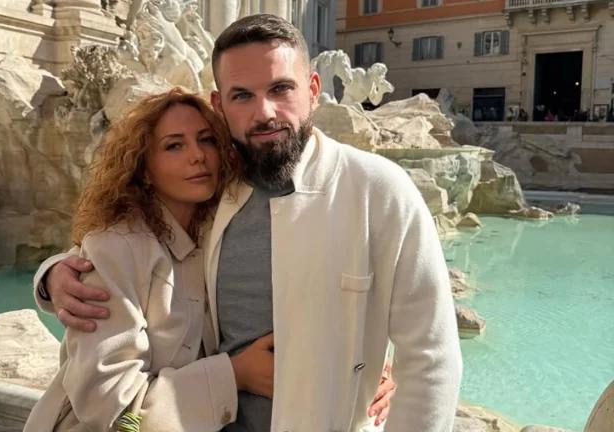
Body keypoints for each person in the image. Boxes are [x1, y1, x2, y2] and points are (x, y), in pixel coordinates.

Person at [36, 14, 461, 431]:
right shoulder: (217, 192)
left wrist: (369, 365)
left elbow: (431, 355)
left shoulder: (378, 189)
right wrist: (54, 274)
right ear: (220, 105)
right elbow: (122, 249)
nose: (265, 112)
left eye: (281, 88)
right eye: (242, 96)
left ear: (313, 90)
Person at [24, 88, 245, 431]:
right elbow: (108, 403)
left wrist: (50, 273)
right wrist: (235, 376)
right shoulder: (116, 247)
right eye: (174, 145)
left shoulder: (218, 230)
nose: (198, 155)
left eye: (206, 140)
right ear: (144, 169)